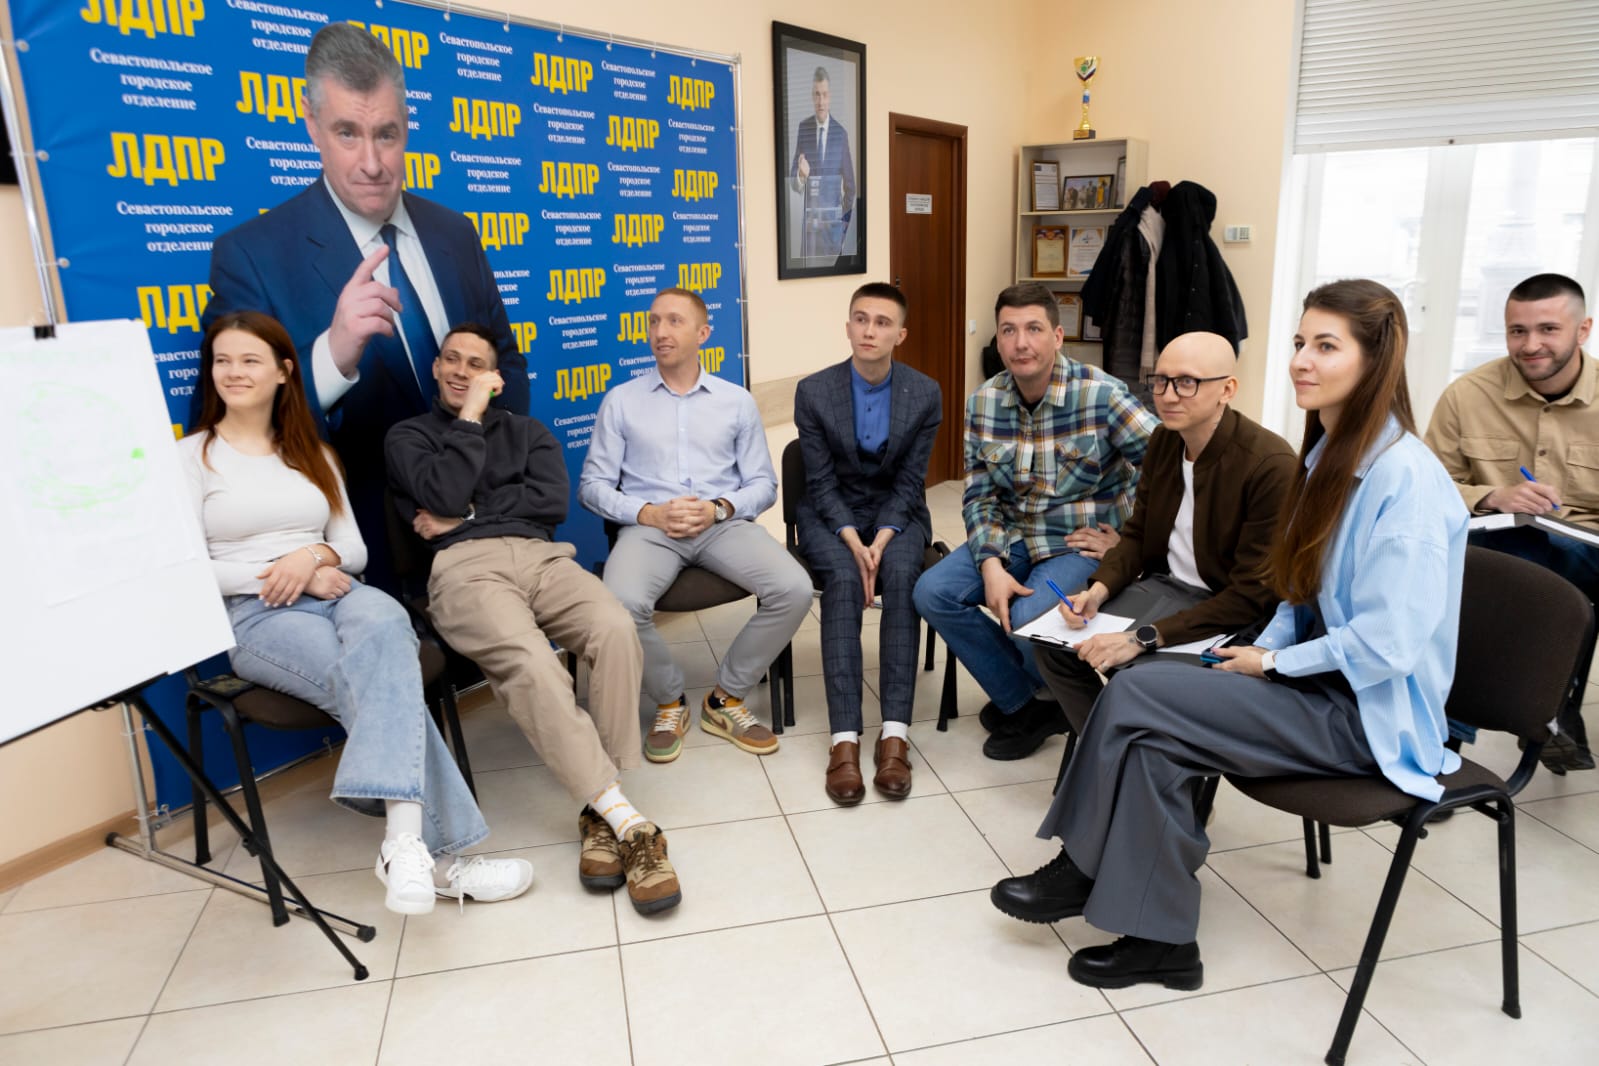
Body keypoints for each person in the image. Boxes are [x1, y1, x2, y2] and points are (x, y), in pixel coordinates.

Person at [990, 279, 1466, 992]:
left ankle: (1081, 865)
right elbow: (1296, 591)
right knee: (1150, 736)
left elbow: (1385, 646)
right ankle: (1163, 943)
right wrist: (1255, 650)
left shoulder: (1405, 481)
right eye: (1300, 343)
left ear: (1375, 362)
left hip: (1366, 715)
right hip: (1310, 681)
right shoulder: (1328, 459)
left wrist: (1271, 663)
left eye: (1325, 346)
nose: (1301, 360)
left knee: (1139, 692)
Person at [179, 311, 532, 917]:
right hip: (257, 614)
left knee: (387, 624)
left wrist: (314, 557)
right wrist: (288, 571)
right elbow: (186, 570)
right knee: (377, 680)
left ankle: (404, 847)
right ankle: (431, 855)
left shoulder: (312, 452)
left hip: (341, 591)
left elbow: (353, 549)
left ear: (284, 372)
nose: (233, 372)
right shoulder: (190, 458)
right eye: (222, 361)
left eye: (249, 360)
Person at [202, 23, 527, 591]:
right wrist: (331, 357)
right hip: (359, 555)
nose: (372, 162)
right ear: (312, 127)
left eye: (387, 134)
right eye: (347, 133)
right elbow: (227, 427)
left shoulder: (455, 233)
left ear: (407, 126)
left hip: (482, 527)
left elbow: (508, 367)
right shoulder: (252, 255)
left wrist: (489, 488)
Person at [385, 324, 679, 916]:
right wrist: (469, 423)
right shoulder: (409, 436)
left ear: (496, 378)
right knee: (534, 662)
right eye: (450, 360)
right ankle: (629, 823)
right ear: (436, 367)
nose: (460, 372)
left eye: (475, 365)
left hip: (542, 556)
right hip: (464, 568)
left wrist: (470, 511)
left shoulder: (528, 432)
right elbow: (440, 498)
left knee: (614, 628)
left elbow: (549, 502)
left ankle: (599, 807)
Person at [912, 282, 1157, 761]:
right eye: (1009, 330)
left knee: (1028, 618)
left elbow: (1167, 467)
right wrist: (989, 564)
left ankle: (1049, 697)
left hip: (1078, 543)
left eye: (1034, 329)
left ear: (1058, 336)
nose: (1021, 343)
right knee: (932, 592)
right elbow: (980, 493)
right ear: (998, 340)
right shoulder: (983, 402)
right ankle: (1031, 701)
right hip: (1013, 536)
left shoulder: (1101, 394)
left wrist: (1131, 541)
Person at [579, 288, 812, 762]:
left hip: (722, 526)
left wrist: (719, 508)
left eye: (674, 321)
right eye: (654, 321)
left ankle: (725, 697)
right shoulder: (621, 401)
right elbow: (591, 487)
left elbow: (763, 485)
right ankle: (670, 701)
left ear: (703, 333)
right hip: (650, 529)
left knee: (795, 588)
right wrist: (647, 513)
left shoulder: (736, 401)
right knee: (619, 605)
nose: (660, 331)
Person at [1040, 330, 1295, 737]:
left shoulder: (1270, 465)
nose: (1168, 395)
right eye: (1160, 380)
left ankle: (1126, 753)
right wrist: (1097, 592)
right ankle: (1110, 748)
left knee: (1137, 678)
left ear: (1227, 389)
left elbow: (1249, 597)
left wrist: (1142, 638)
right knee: (1054, 647)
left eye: (1186, 382)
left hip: (1227, 612)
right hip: (1165, 589)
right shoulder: (1164, 441)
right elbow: (1137, 535)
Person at [1425, 272, 1597, 772]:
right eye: (1517, 331)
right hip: (1499, 543)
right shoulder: (1467, 395)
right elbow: (1428, 486)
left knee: (1543, 584)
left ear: (1583, 330)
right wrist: (1491, 495)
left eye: (1548, 329)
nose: (1530, 344)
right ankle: (1451, 742)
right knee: (1488, 580)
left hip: (1589, 547)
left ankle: (1548, 706)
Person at [794, 283, 941, 804]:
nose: (869, 330)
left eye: (882, 322)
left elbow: (910, 482)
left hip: (897, 514)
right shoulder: (815, 391)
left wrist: (881, 538)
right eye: (860, 319)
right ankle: (844, 740)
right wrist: (854, 542)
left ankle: (895, 735)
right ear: (848, 326)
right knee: (841, 578)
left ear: (901, 334)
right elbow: (819, 483)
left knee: (901, 576)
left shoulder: (924, 392)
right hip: (830, 515)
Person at [788, 66, 856, 257]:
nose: (821, 101)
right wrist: (801, 176)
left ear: (830, 97)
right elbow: (793, 179)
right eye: (817, 95)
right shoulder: (804, 128)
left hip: (833, 233)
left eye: (824, 95)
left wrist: (843, 227)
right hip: (810, 233)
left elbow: (851, 187)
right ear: (812, 96)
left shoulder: (840, 134)